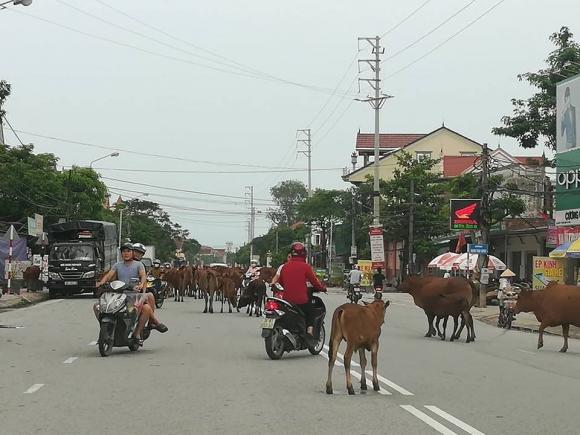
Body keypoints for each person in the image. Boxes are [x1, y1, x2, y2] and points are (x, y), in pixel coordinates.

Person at [95, 243, 167, 344]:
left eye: (128, 251)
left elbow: (143, 276)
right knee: (97, 306)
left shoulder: (139, 265)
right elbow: (109, 275)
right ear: (121, 254)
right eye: (124, 251)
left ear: (132, 253)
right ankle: (105, 330)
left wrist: (141, 284)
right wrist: (101, 283)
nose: (126, 254)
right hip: (118, 294)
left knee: (146, 308)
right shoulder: (117, 265)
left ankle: (137, 333)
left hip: (133, 295)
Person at [278, 242, 326, 345]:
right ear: (304, 253)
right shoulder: (306, 267)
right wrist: (322, 288)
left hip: (286, 300)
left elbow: (281, 282)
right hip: (301, 300)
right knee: (311, 312)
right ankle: (309, 331)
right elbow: (315, 282)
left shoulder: (285, 267)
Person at [561, 86, 577, 150]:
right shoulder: (563, 113)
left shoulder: (574, 109)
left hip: (576, 141)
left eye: (569, 97)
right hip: (569, 142)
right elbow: (561, 132)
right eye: (566, 97)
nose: (567, 99)